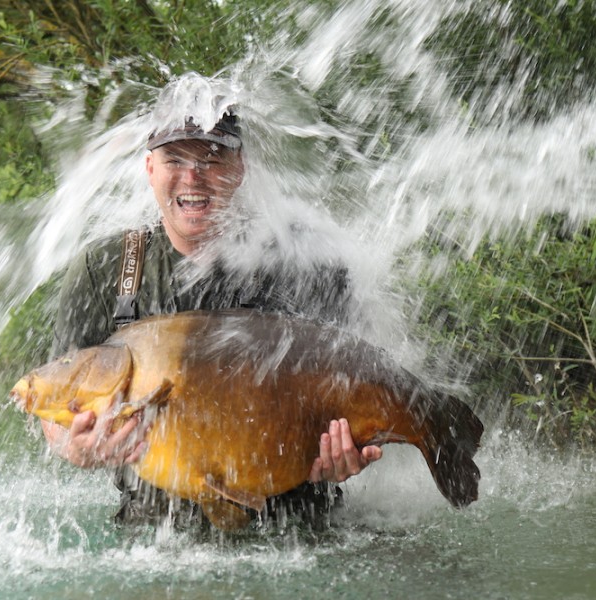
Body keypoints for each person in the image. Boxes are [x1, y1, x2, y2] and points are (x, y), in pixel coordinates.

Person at [42, 101, 382, 529]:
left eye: (212, 157)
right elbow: (55, 412)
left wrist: (350, 448)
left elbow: (363, 386)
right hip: (155, 542)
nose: (192, 176)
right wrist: (76, 447)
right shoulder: (106, 269)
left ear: (239, 168)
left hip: (300, 533)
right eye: (174, 159)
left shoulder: (303, 261)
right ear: (150, 168)